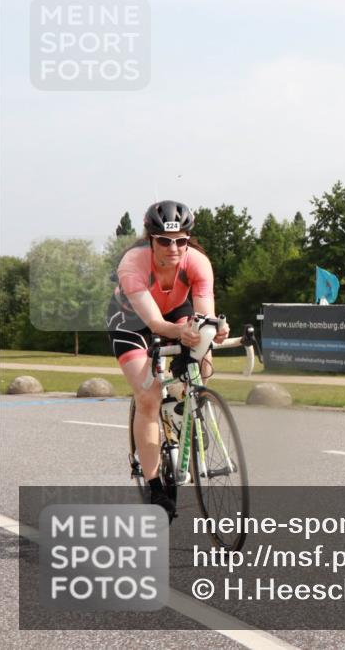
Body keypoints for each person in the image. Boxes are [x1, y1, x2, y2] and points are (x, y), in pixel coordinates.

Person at [106, 200, 229, 516]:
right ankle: (155, 487)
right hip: (132, 320)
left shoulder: (198, 263)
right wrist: (181, 333)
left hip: (176, 310)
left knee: (202, 357)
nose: (173, 247)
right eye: (164, 240)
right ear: (150, 239)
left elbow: (204, 316)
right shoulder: (132, 264)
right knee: (148, 396)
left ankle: (184, 411)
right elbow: (156, 325)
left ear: (188, 239)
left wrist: (214, 330)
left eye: (181, 241)